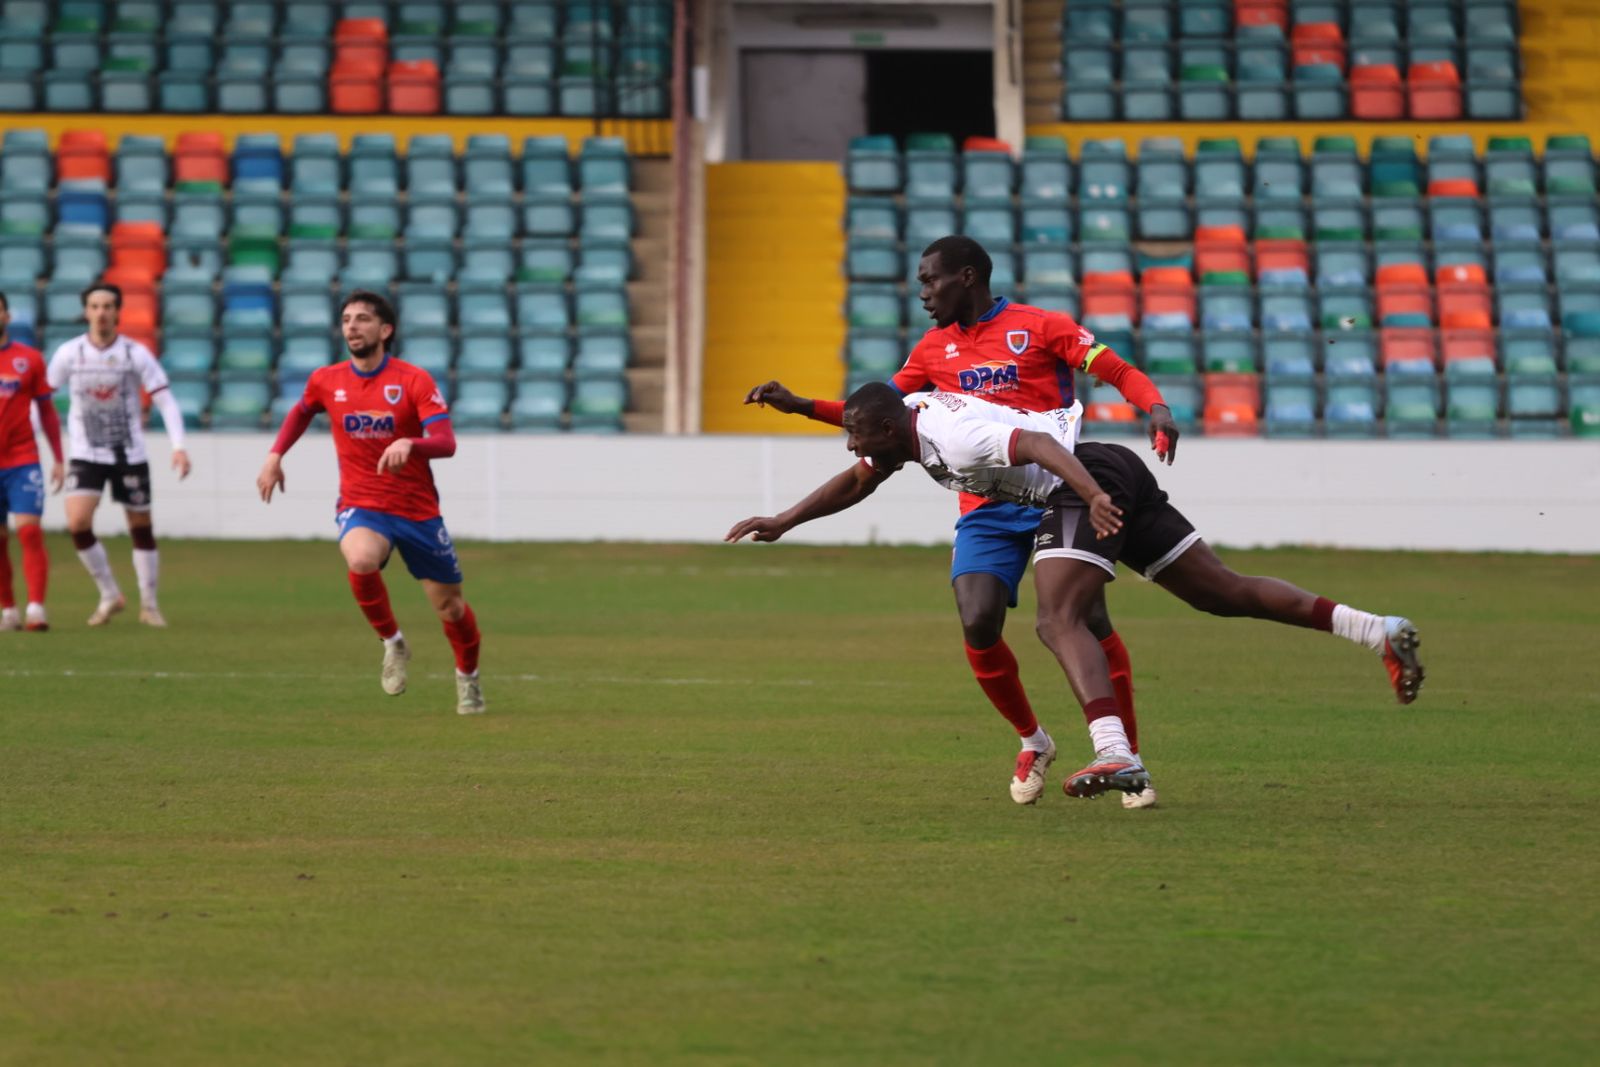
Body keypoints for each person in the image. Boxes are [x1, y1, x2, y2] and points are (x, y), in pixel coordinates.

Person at [727, 384, 1423, 801]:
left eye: (857, 439)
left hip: (1081, 478)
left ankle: (1116, 750)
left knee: (1058, 616)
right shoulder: (900, 419)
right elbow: (856, 480)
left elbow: (1032, 443)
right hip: (1110, 473)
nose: (855, 451)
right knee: (1223, 591)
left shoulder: (954, 437)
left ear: (885, 430)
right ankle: (1376, 629)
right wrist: (782, 521)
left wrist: (1090, 497)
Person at [744, 235, 1180, 808]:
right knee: (977, 621)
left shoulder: (1041, 325)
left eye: (930, 280)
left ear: (967, 277)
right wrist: (804, 407)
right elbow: (880, 419)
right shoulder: (931, 351)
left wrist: (1156, 407)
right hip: (987, 506)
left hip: (1054, 490)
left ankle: (1128, 760)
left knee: (1087, 620)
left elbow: (1115, 369)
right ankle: (1034, 740)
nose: (922, 292)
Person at [256, 290, 485, 716]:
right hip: (363, 504)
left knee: (450, 607)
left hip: (417, 511)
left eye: (362, 319)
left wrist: (410, 443)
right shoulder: (327, 380)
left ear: (385, 330)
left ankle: (467, 677)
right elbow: (303, 411)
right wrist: (275, 455)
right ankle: (393, 643)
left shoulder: (414, 380)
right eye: (346, 319)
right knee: (360, 558)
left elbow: (446, 443)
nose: (352, 326)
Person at [47, 283, 191, 627]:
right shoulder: (69, 353)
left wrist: (178, 446)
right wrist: (50, 448)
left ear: (117, 311)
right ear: (86, 311)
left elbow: (165, 399)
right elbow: (42, 399)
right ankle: (110, 593)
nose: (101, 312)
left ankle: (150, 604)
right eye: (95, 306)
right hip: (85, 452)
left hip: (129, 453)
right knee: (77, 523)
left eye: (108, 306)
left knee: (140, 525)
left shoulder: (134, 353)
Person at [0, 292, 64, 631]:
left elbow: (47, 412)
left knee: (29, 533)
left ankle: (36, 608)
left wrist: (59, 458)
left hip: (22, 459)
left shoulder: (30, 359)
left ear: (6, 316)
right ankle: (7, 609)